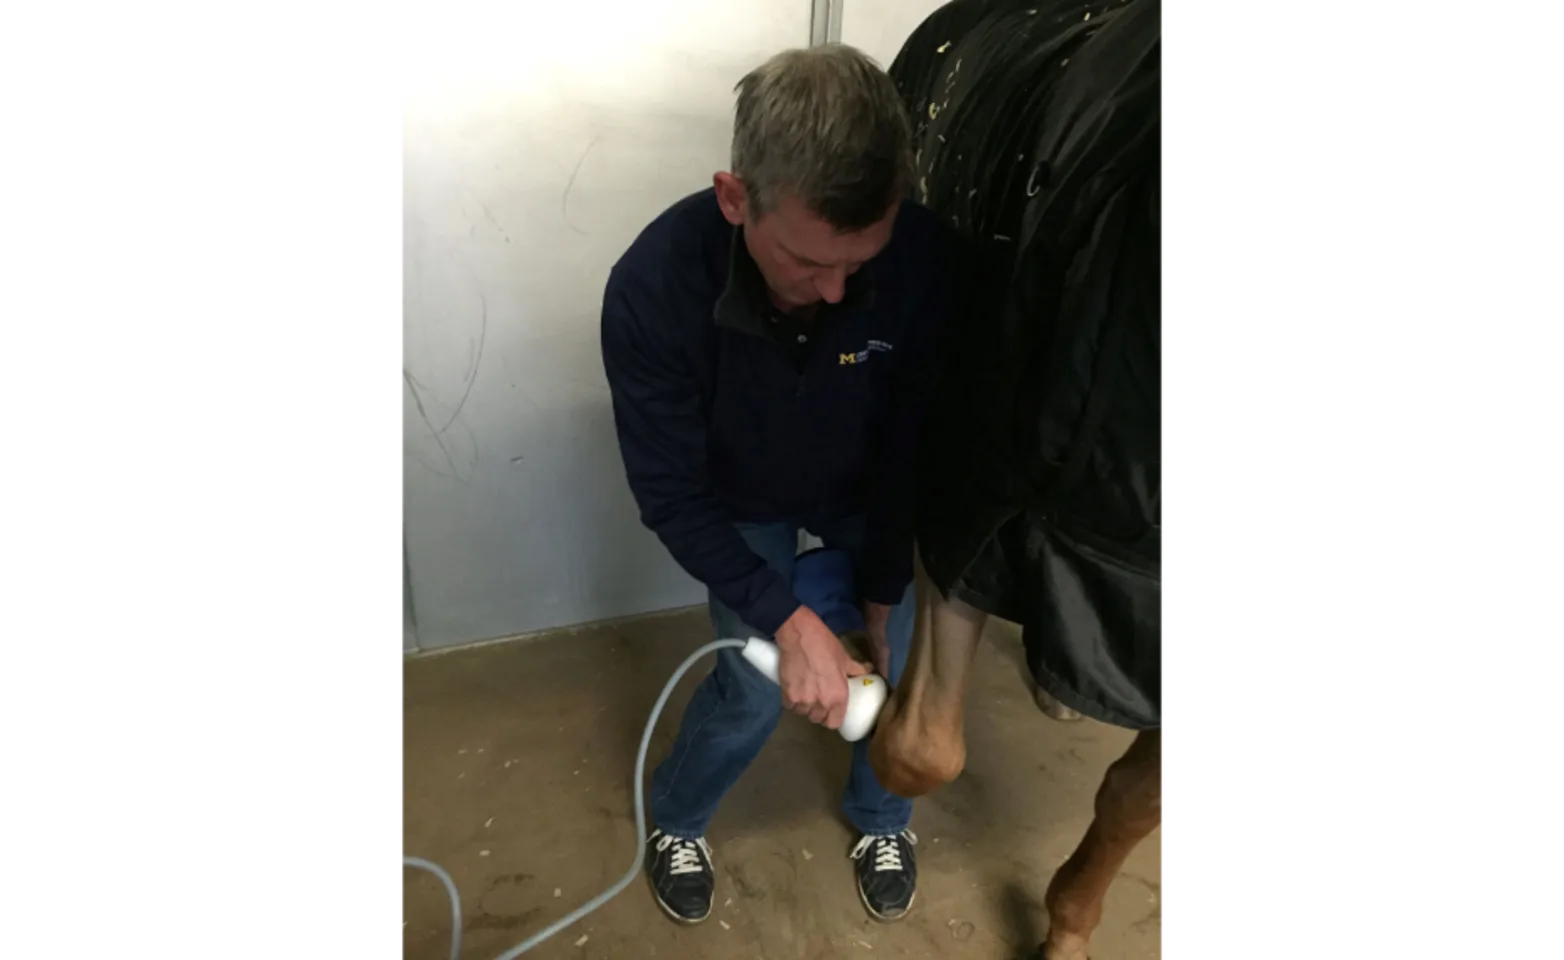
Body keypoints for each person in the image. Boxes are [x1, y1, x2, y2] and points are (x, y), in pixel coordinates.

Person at [599, 43, 953, 925]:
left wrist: (878, 594)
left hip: (868, 487)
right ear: (734, 198)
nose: (837, 292)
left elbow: (919, 439)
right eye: (806, 262)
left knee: (899, 662)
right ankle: (677, 817)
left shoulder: (920, 260)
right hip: (737, 498)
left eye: (858, 262)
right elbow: (673, 494)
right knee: (756, 685)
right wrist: (788, 621)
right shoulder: (652, 287)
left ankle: (883, 816)